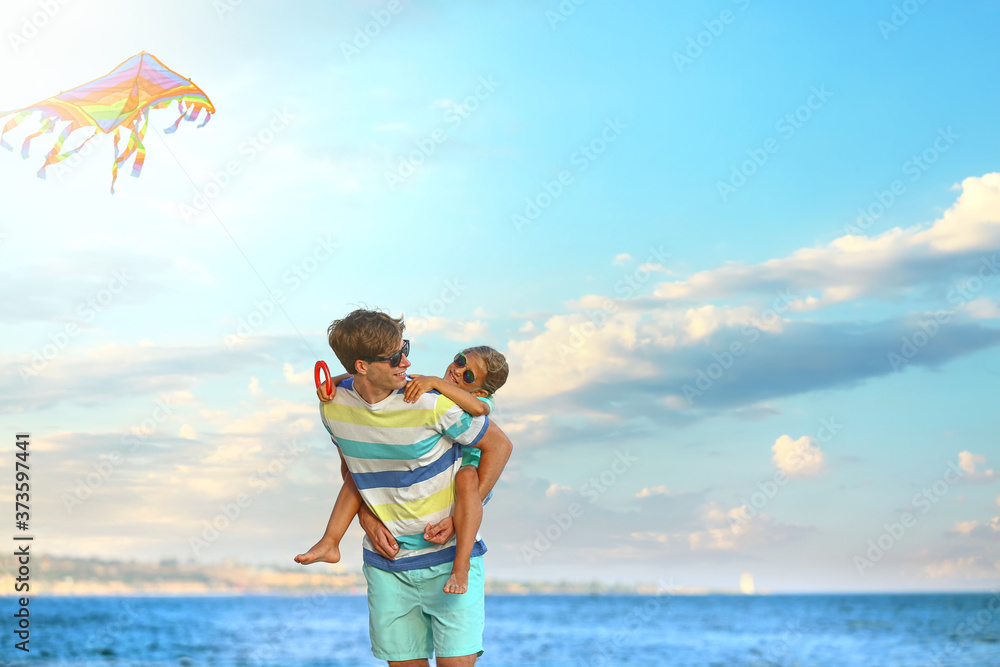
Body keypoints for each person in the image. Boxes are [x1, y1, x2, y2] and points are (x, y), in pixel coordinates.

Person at [294, 309, 512, 666]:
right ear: (361, 366)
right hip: (388, 566)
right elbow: (355, 468)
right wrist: (366, 518)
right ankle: (328, 542)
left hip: (447, 559)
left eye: (404, 348)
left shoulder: (434, 402)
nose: (407, 361)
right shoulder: (332, 404)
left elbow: (499, 446)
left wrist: (462, 517)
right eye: (396, 355)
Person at [403, 346, 509, 596]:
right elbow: (390, 378)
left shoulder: (479, 400)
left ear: (480, 390)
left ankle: (460, 567)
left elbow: (478, 410)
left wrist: (437, 383)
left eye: (469, 376)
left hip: (473, 474)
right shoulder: (440, 388)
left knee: (466, 477)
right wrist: (338, 380)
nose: (458, 370)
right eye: (460, 361)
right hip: (448, 470)